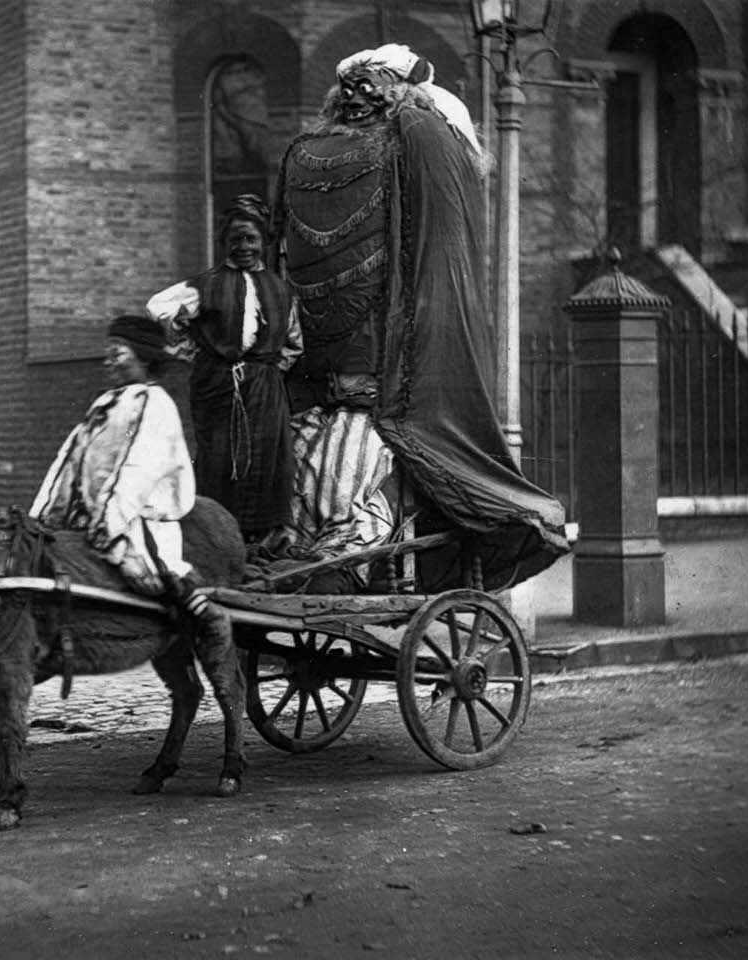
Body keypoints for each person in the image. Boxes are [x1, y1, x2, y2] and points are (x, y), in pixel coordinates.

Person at [272, 44, 568, 592]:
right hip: (333, 376)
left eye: (370, 89)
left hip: (381, 369)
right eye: (350, 90)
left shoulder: (418, 132)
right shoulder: (326, 148)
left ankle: (350, 555)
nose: (356, 100)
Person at [31, 314, 223, 627]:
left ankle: (209, 624)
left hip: (134, 524)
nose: (107, 362)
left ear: (144, 357)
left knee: (153, 578)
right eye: (107, 354)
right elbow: (67, 462)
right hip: (90, 521)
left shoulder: (155, 404)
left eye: (117, 353)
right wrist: (41, 519)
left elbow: (135, 474)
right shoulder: (106, 403)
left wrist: (106, 529)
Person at [146, 194, 303, 544]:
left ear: (264, 241)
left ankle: (260, 543)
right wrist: (195, 351)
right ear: (224, 242)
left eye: (251, 239)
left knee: (266, 460)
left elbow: (293, 342)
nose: (243, 247)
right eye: (235, 239)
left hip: (265, 388)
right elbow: (158, 308)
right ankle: (216, 538)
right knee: (219, 459)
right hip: (217, 384)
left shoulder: (281, 291)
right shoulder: (205, 285)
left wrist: (266, 370)